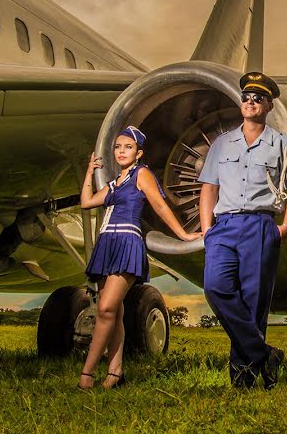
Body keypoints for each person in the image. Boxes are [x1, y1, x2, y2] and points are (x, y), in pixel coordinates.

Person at [198, 72, 287, 389]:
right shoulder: (221, 144)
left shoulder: (282, 146)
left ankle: (244, 378)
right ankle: (265, 354)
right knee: (215, 288)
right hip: (224, 226)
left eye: (257, 98)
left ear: (269, 105)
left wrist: (284, 226)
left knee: (254, 302)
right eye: (246, 96)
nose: (250, 102)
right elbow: (208, 187)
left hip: (260, 226)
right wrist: (207, 229)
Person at [78, 125, 201, 390]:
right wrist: (90, 171)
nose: (122, 151)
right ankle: (115, 372)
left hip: (127, 242)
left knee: (106, 309)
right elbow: (86, 203)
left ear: (139, 152)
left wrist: (183, 234)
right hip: (107, 244)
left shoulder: (141, 174)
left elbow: (158, 204)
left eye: (128, 147)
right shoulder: (113, 183)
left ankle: (87, 373)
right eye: (118, 147)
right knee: (116, 312)